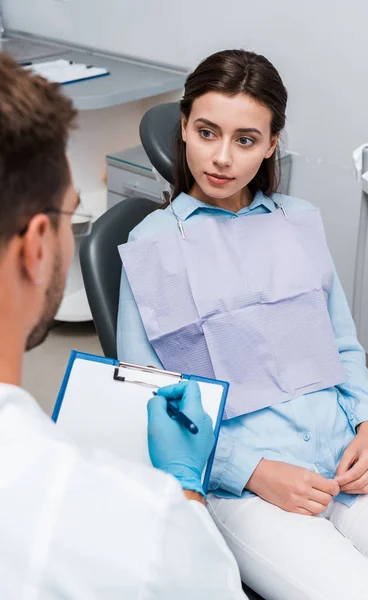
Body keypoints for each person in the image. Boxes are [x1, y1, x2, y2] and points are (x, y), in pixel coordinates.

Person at [117, 49, 368, 599]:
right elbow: (149, 396)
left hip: (346, 454)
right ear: (183, 128)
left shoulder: (296, 220)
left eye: (245, 140)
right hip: (245, 486)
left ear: (271, 145)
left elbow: (343, 343)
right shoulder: (152, 245)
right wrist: (251, 471)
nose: (221, 158)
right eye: (206, 132)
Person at [0, 53, 247, 599]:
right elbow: (207, 582)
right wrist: (186, 493)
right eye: (72, 216)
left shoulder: (291, 219)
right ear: (39, 246)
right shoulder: (132, 526)